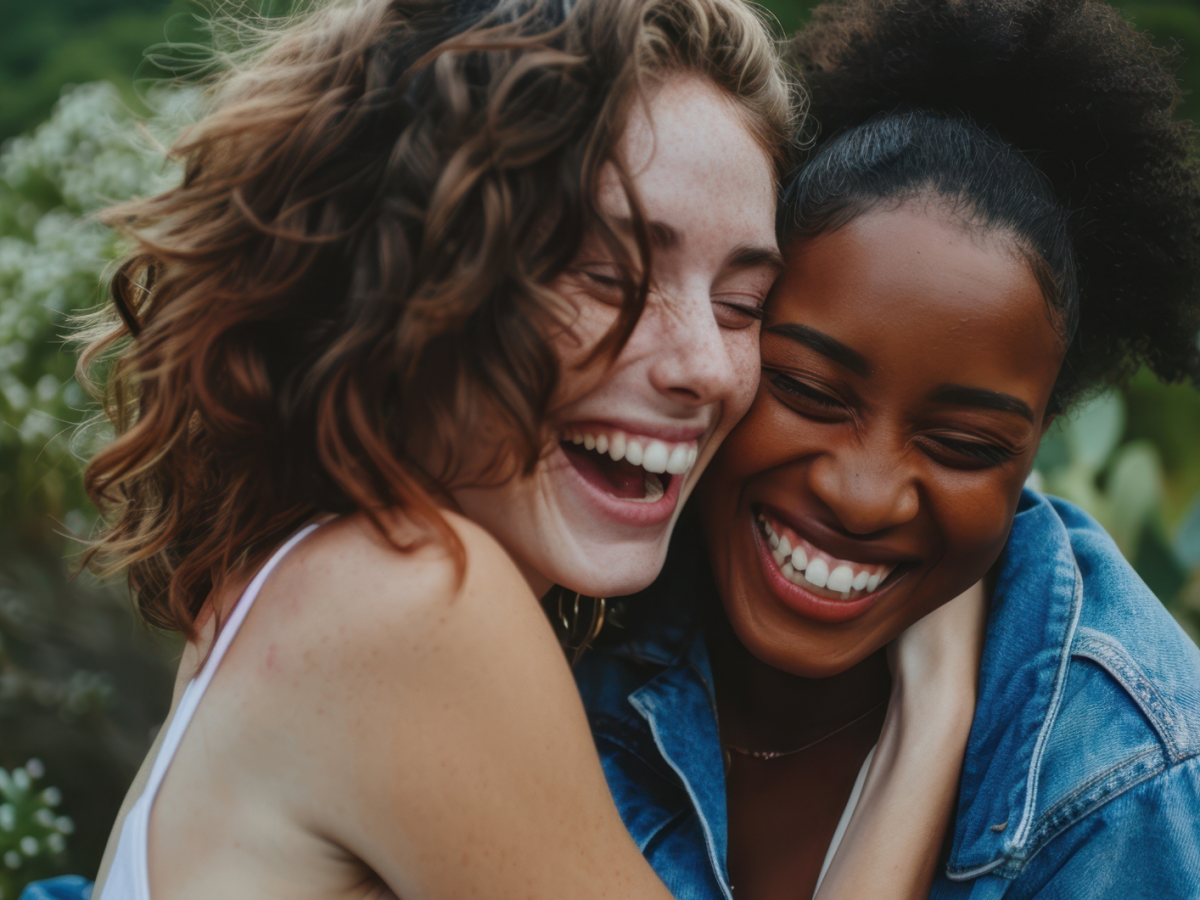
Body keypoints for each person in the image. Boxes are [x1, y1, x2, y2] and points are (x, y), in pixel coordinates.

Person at [20, 0, 986, 898]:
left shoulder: (286, 580)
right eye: (610, 276)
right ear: (408, 268)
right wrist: (932, 721)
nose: (707, 365)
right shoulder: (416, 598)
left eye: (743, 306)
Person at [573, 0, 1200, 897]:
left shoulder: (1129, 778)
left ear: (1035, 454)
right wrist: (930, 725)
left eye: (963, 445)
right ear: (730, 335)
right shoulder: (567, 590)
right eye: (808, 391)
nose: (865, 495)